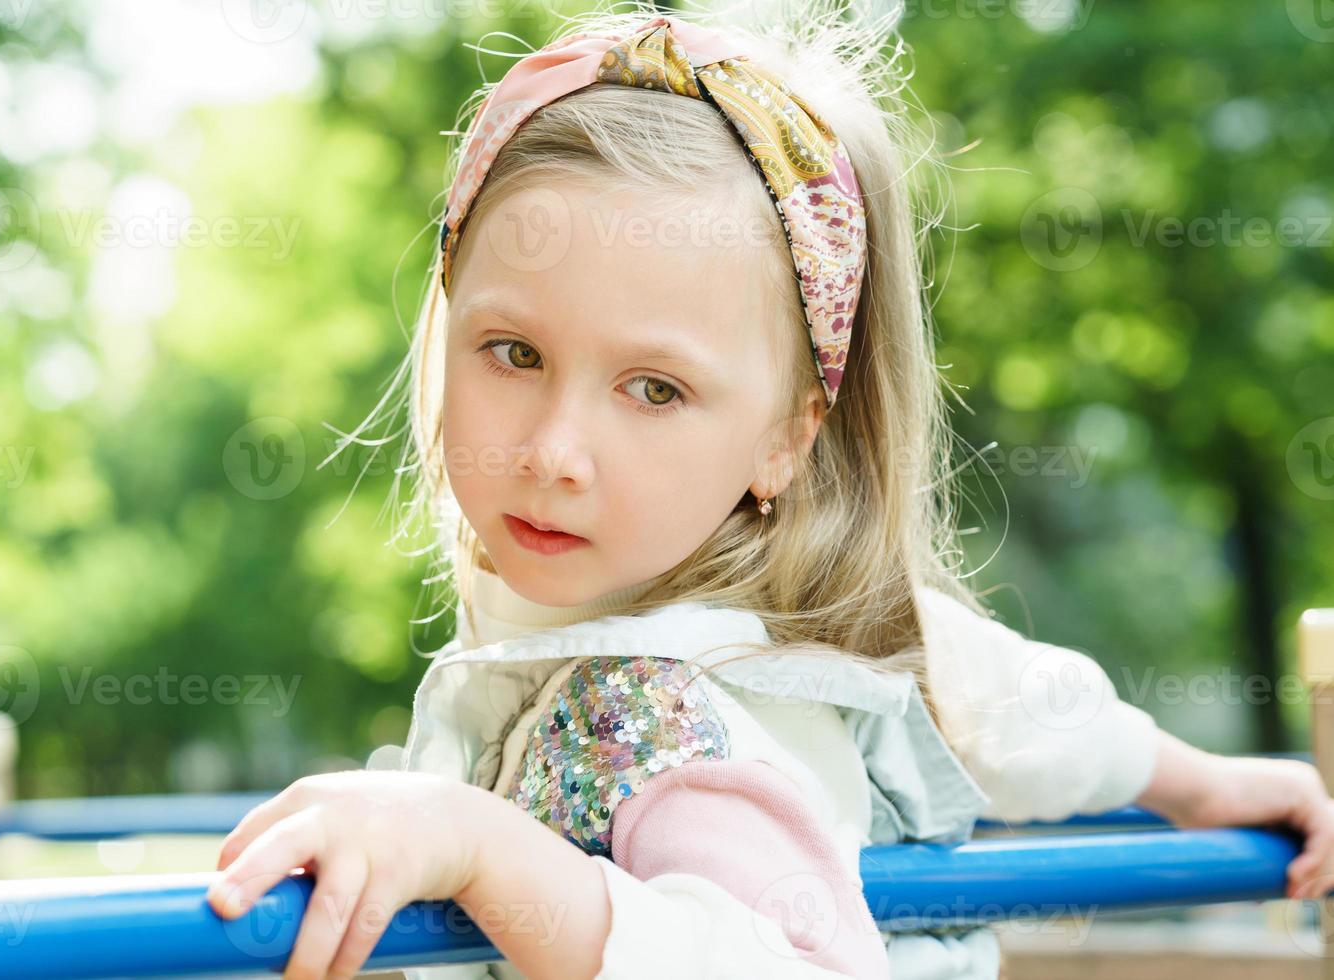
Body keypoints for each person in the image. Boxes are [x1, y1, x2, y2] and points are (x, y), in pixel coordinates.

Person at [205, 5, 1334, 978]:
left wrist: (479, 846)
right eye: (512, 352)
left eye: (653, 388)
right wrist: (1204, 781)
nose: (555, 449)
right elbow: (1008, 698)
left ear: (786, 440)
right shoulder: (818, 630)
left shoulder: (647, 719)